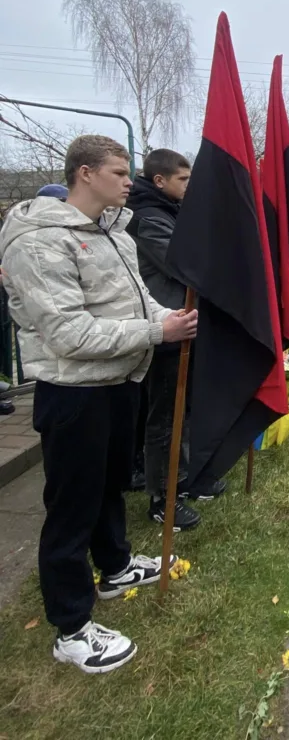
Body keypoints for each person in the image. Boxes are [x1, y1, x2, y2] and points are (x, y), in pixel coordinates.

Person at [0, 134, 197, 673]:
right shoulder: (40, 241)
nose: (128, 181)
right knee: (71, 508)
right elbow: (68, 333)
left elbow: (135, 296)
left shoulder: (116, 231)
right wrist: (157, 333)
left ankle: (114, 566)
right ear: (84, 174)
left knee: (109, 484)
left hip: (118, 380)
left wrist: (166, 318)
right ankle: (71, 626)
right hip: (73, 391)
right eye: (118, 171)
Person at [128, 149, 227, 531]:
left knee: (184, 410)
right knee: (166, 417)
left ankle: (185, 476)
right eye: (183, 180)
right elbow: (186, 262)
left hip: (186, 322)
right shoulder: (149, 218)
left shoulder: (170, 211)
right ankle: (162, 497)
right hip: (169, 325)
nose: (189, 186)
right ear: (160, 181)